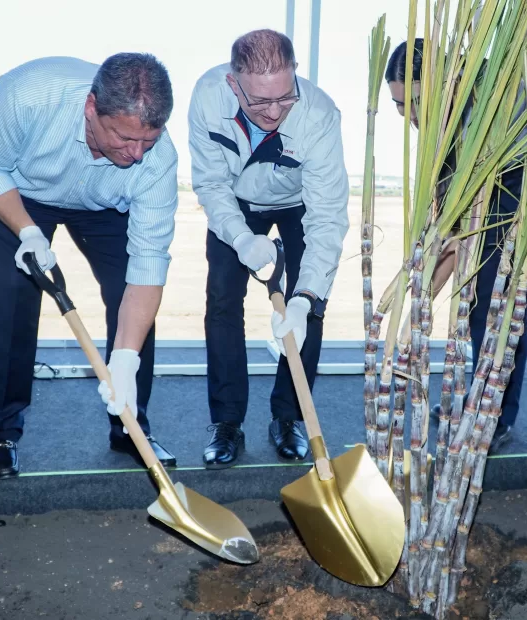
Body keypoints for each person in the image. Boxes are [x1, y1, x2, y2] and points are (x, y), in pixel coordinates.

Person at [0, 53, 180, 479]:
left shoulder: (156, 160)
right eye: (123, 138)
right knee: (13, 296)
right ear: (91, 108)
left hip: (104, 205)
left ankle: (130, 425)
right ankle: (0, 432)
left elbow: (149, 262)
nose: (136, 155)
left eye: (147, 142)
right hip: (19, 193)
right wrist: (27, 232)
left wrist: (125, 360)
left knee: (130, 299)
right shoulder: (30, 96)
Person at [385, 39, 527, 453]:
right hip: (488, 178)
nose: (411, 116)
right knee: (470, 286)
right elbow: (444, 231)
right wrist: (417, 303)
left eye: (416, 101)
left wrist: (444, 261)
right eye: (401, 106)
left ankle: (493, 413)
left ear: (448, 81)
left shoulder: (494, 101)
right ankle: (471, 397)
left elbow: (462, 231)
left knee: (499, 294)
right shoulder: (441, 119)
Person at [188, 29, 349, 468]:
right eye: (259, 102)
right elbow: (210, 183)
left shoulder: (317, 114)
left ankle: (289, 417)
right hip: (237, 203)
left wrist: (304, 296)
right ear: (233, 83)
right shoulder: (206, 98)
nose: (274, 112)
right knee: (221, 300)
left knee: (309, 307)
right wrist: (241, 239)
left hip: (299, 205)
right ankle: (226, 422)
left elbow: (328, 216)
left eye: (284, 98)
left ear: (294, 75)